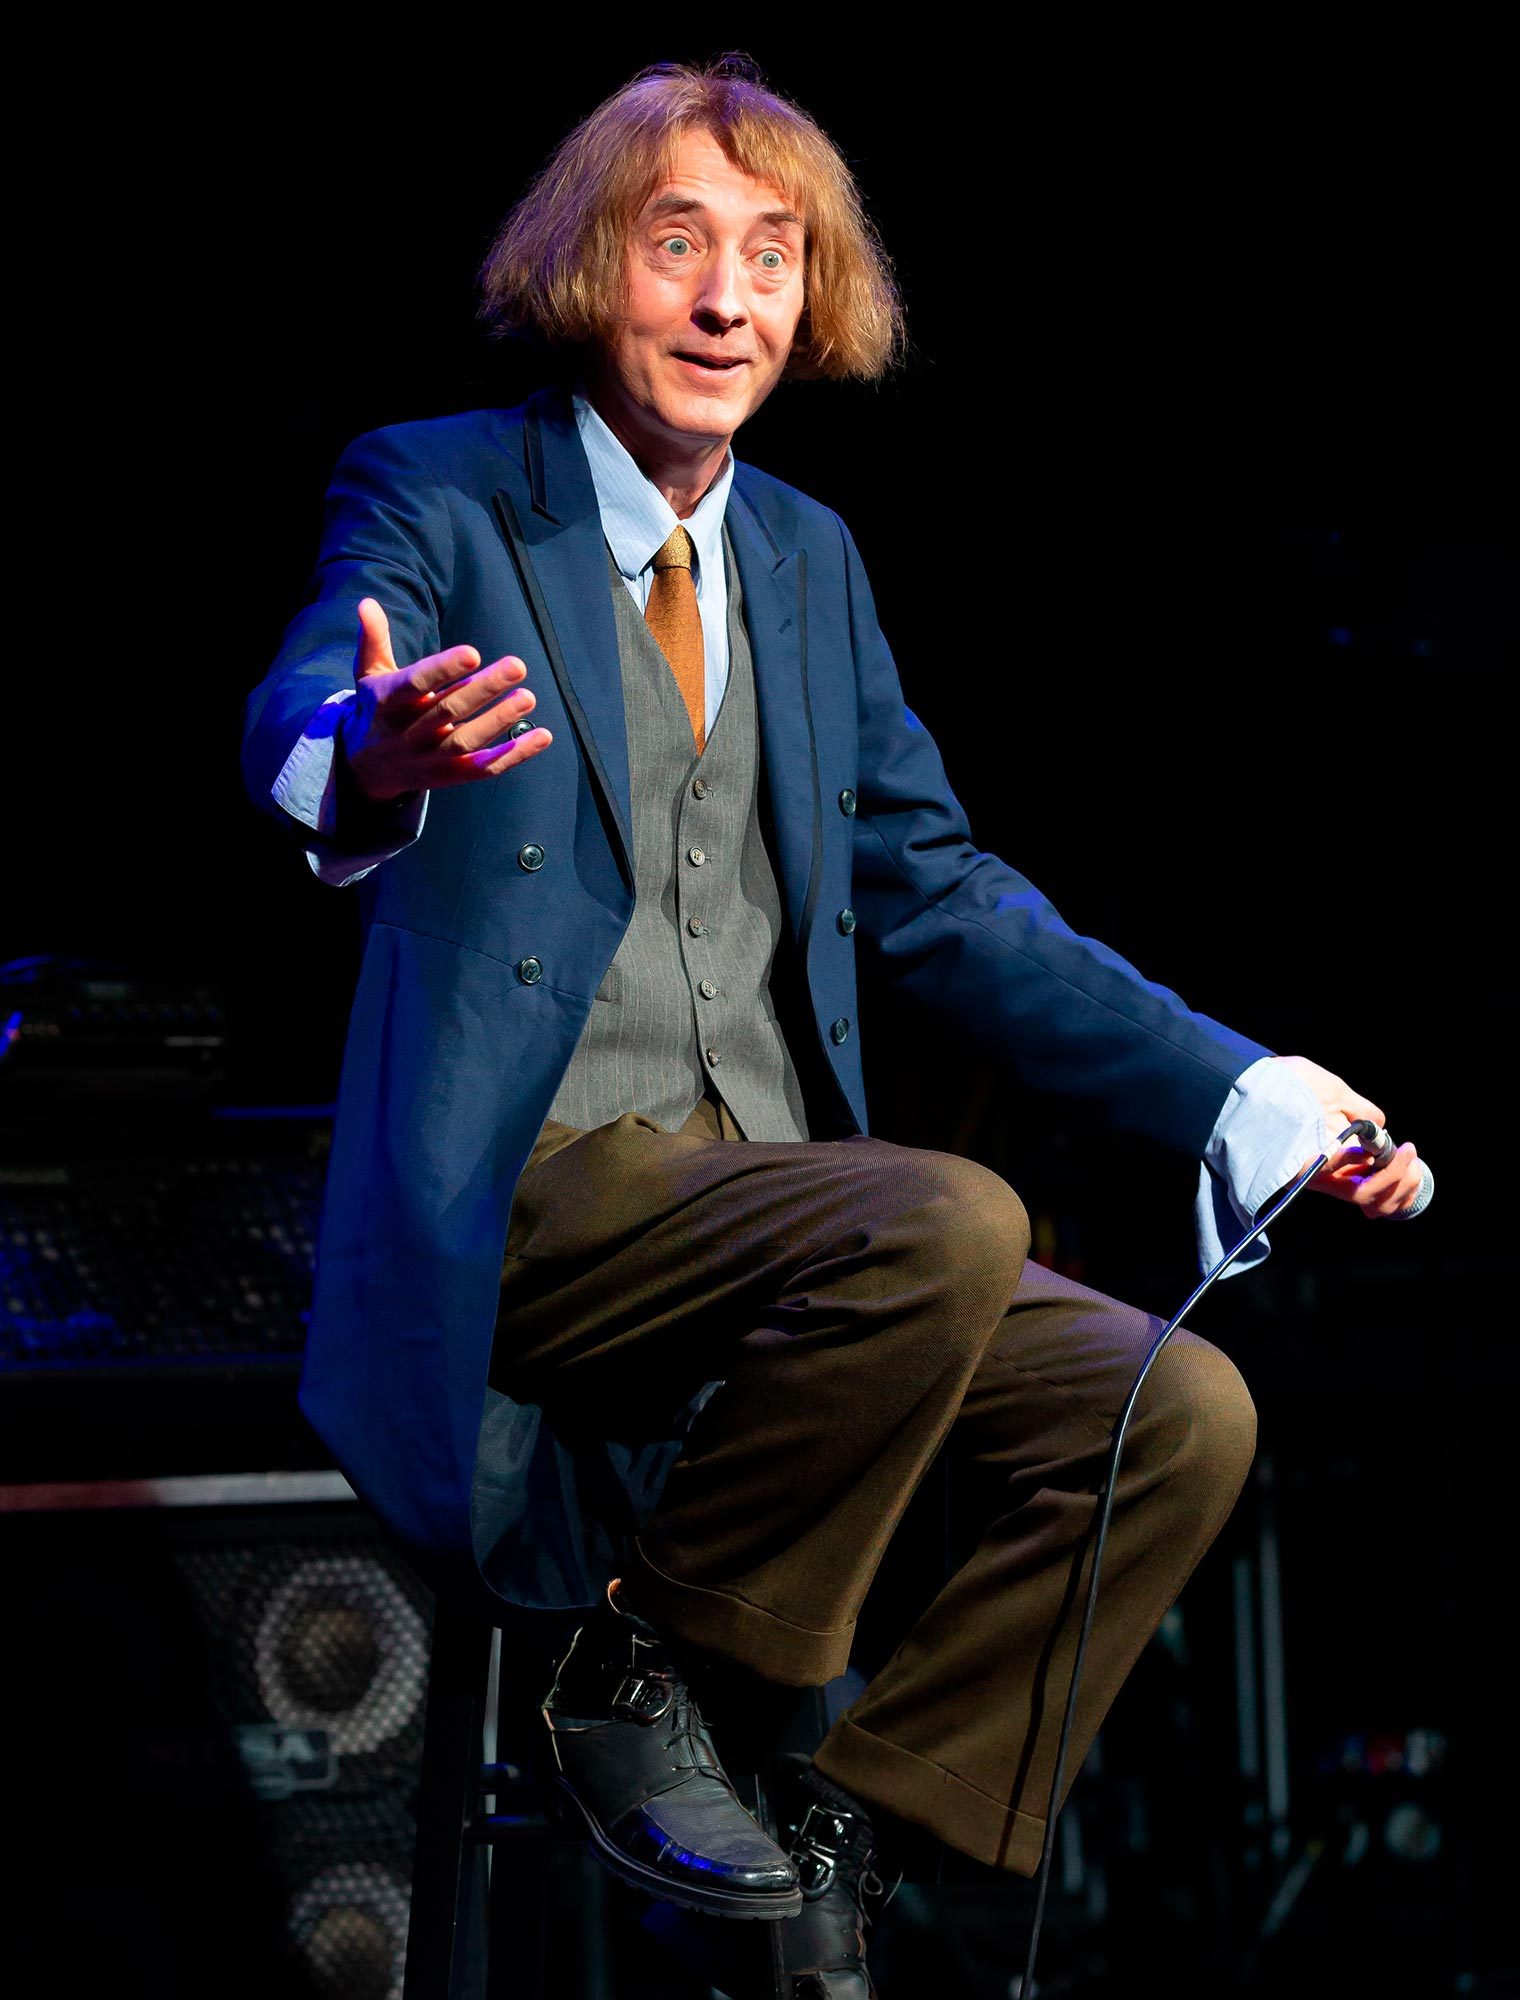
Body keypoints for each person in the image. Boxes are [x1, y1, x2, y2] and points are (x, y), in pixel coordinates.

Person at [241, 57, 1427, 1997]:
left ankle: (843, 1825)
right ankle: (641, 1673)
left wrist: (1244, 1082)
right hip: (537, 1214)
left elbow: (946, 897)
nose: (728, 301)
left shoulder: (806, 558)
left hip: (777, 1228)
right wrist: (360, 758)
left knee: (1175, 1414)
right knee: (942, 1212)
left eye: (772, 256)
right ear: (584, 265)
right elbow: (310, 684)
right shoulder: (443, 491)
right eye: (678, 244)